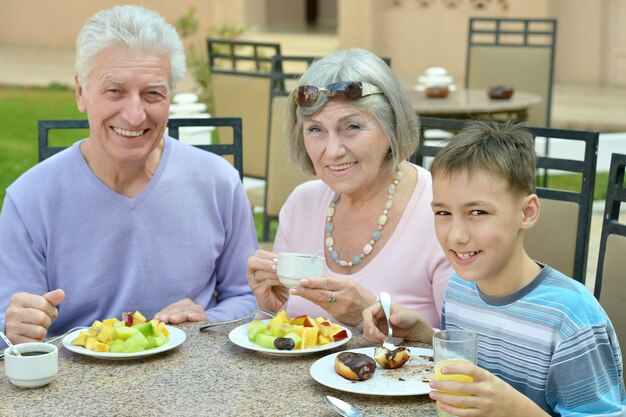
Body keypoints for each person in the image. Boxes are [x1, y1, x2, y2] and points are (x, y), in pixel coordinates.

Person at [0, 5, 258, 345]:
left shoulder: (219, 182)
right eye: (114, 91)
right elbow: (14, 328)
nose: (135, 115)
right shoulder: (29, 198)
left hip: (193, 378)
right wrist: (14, 330)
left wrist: (207, 318)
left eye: (153, 93)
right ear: (81, 93)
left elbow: (248, 298)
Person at [363, 121, 626, 416]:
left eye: (478, 212)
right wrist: (425, 334)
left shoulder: (571, 320)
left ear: (526, 213)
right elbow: (481, 361)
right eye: (443, 213)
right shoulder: (460, 289)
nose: (456, 235)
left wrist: (512, 408)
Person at [246, 48, 452, 327]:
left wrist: (370, 316)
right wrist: (271, 310)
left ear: (391, 127)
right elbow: (277, 335)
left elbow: (461, 350)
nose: (332, 151)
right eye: (315, 129)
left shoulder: (443, 209)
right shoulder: (301, 205)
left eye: (352, 126)